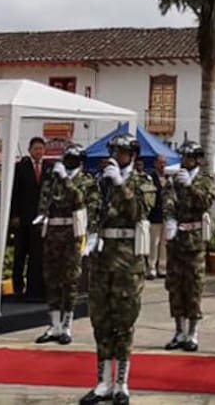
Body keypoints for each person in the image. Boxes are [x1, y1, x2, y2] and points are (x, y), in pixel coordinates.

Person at [81, 133, 154, 405]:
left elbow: (139, 212)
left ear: (132, 155)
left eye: (121, 152)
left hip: (127, 262)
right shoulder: (102, 181)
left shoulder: (143, 182)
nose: (116, 156)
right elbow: (92, 209)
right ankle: (103, 382)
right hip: (102, 259)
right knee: (100, 320)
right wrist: (91, 234)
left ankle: (121, 383)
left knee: (124, 321)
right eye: (114, 151)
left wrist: (122, 185)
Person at [34, 142, 95, 346]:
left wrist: (66, 180)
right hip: (53, 232)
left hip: (72, 234)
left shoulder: (86, 180)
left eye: (73, 159)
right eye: (67, 158)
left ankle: (67, 325)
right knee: (51, 278)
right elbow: (44, 200)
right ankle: (54, 325)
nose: (68, 162)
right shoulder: (54, 178)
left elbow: (80, 201)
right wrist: (41, 215)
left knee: (70, 280)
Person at [161, 140, 215, 352]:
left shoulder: (205, 180)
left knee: (193, 287)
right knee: (175, 287)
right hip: (177, 240)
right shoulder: (174, 180)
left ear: (198, 160)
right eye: (184, 157)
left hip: (194, 242)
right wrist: (170, 219)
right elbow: (167, 200)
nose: (186, 161)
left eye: (190, 158)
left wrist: (190, 187)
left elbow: (205, 202)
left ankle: (192, 333)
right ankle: (179, 331)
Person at [9, 137, 48, 300]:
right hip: (23, 217)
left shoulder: (49, 167)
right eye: (36, 148)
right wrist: (14, 215)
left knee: (37, 255)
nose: (38, 151)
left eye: (41, 149)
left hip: (40, 219)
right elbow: (14, 192)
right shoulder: (20, 167)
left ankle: (34, 288)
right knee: (20, 253)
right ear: (29, 150)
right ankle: (18, 287)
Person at [145, 152, 168, 280]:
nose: (162, 165)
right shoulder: (150, 178)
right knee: (153, 243)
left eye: (164, 163)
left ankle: (162, 268)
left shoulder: (168, 177)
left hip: (166, 215)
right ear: (155, 164)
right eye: (160, 163)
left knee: (164, 244)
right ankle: (151, 268)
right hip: (155, 216)